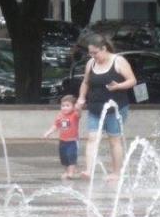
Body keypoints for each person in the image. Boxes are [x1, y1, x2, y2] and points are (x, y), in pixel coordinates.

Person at [76, 34, 137, 181]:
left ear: (104, 49)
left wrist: (118, 86)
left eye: (95, 53)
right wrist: (81, 98)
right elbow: (86, 82)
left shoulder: (118, 61)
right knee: (92, 138)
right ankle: (89, 171)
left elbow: (132, 80)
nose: (93, 56)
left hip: (116, 108)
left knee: (114, 140)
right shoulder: (91, 63)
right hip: (95, 107)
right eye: (90, 53)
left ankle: (116, 172)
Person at [43, 94, 81, 180]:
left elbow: (79, 114)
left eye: (67, 106)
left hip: (72, 141)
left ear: (73, 107)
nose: (65, 108)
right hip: (62, 141)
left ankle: (71, 173)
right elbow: (56, 126)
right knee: (64, 157)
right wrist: (48, 132)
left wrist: (78, 108)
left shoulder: (74, 115)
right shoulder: (60, 115)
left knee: (71, 156)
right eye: (63, 106)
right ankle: (67, 171)